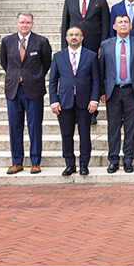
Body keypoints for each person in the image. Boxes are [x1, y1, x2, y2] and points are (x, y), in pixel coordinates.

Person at [0, 11, 52, 175]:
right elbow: (5, 63)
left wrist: (33, 77)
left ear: (32, 24)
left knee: (35, 126)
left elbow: (46, 63)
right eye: (22, 22)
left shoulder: (41, 41)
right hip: (14, 89)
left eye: (28, 22)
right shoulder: (7, 41)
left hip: (34, 90)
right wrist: (17, 77)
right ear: (17, 24)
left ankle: (35, 161)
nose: (25, 25)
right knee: (14, 127)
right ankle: (17, 162)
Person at [49, 26, 100, 176]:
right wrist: (54, 100)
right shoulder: (58, 56)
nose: (74, 37)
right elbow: (53, 81)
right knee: (66, 135)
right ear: (66, 38)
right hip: (64, 102)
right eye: (71, 35)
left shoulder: (90, 56)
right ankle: (69, 164)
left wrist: (94, 99)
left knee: (85, 134)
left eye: (77, 35)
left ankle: (84, 164)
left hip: (85, 102)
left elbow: (96, 80)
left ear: (82, 37)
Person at [99, 14, 134, 174]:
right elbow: (101, 70)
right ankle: (113, 159)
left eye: (126, 22)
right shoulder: (106, 45)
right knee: (113, 127)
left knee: (131, 127)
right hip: (113, 92)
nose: (123, 25)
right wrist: (102, 92)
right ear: (114, 26)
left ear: (131, 26)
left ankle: (128, 160)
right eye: (120, 22)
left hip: (132, 91)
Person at [61, 0, 109, 125]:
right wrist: (64, 48)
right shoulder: (69, 1)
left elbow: (106, 25)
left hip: (93, 46)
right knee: (77, 76)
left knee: (93, 77)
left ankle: (93, 112)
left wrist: (103, 45)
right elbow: (65, 25)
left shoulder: (100, 1)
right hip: (74, 46)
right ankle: (76, 110)